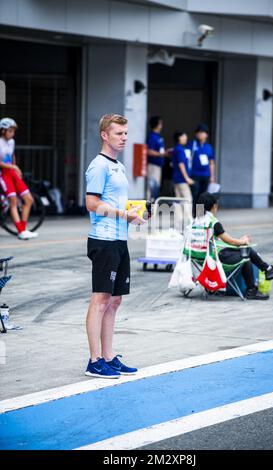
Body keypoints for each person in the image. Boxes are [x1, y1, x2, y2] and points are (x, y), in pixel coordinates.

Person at [85, 114, 145, 379]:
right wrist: (124, 215)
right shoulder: (99, 166)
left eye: (125, 133)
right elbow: (92, 203)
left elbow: (117, 203)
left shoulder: (118, 166)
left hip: (119, 240)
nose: (124, 138)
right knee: (100, 299)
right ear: (105, 135)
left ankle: (109, 357)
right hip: (104, 240)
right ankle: (94, 360)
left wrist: (137, 212)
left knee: (115, 300)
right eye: (119, 133)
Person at [197, 193, 273, 300]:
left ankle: (266, 273)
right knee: (246, 254)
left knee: (244, 252)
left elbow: (224, 241)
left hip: (199, 259)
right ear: (214, 206)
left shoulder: (195, 220)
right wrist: (243, 241)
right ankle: (260, 280)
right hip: (213, 260)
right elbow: (230, 241)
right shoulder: (213, 222)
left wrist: (240, 241)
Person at [0, 117, 38, 240]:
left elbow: (12, 156)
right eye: (10, 131)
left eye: (13, 131)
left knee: (29, 199)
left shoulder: (12, 142)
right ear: (3, 131)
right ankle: (21, 231)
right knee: (13, 202)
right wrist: (14, 167)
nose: (12, 133)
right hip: (3, 174)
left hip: (12, 172)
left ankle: (23, 229)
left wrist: (15, 169)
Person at [188, 124, 216, 218]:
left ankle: (199, 215)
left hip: (206, 174)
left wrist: (212, 176)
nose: (200, 134)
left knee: (203, 196)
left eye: (202, 132)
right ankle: (193, 215)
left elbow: (211, 162)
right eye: (198, 132)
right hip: (195, 174)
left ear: (206, 135)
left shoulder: (209, 147)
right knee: (194, 195)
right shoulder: (192, 144)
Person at [146, 116, 170, 201]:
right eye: (160, 123)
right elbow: (148, 151)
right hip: (153, 165)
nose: (161, 125)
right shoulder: (152, 137)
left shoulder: (158, 136)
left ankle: (153, 206)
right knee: (152, 186)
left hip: (158, 165)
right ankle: (149, 208)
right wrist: (161, 154)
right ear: (157, 124)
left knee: (156, 187)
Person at [172, 131, 194, 220]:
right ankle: (188, 219)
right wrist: (187, 178)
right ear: (179, 138)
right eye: (184, 137)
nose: (186, 139)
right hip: (182, 180)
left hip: (176, 179)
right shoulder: (180, 149)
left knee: (178, 200)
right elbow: (181, 164)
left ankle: (179, 220)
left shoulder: (176, 149)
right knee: (188, 199)